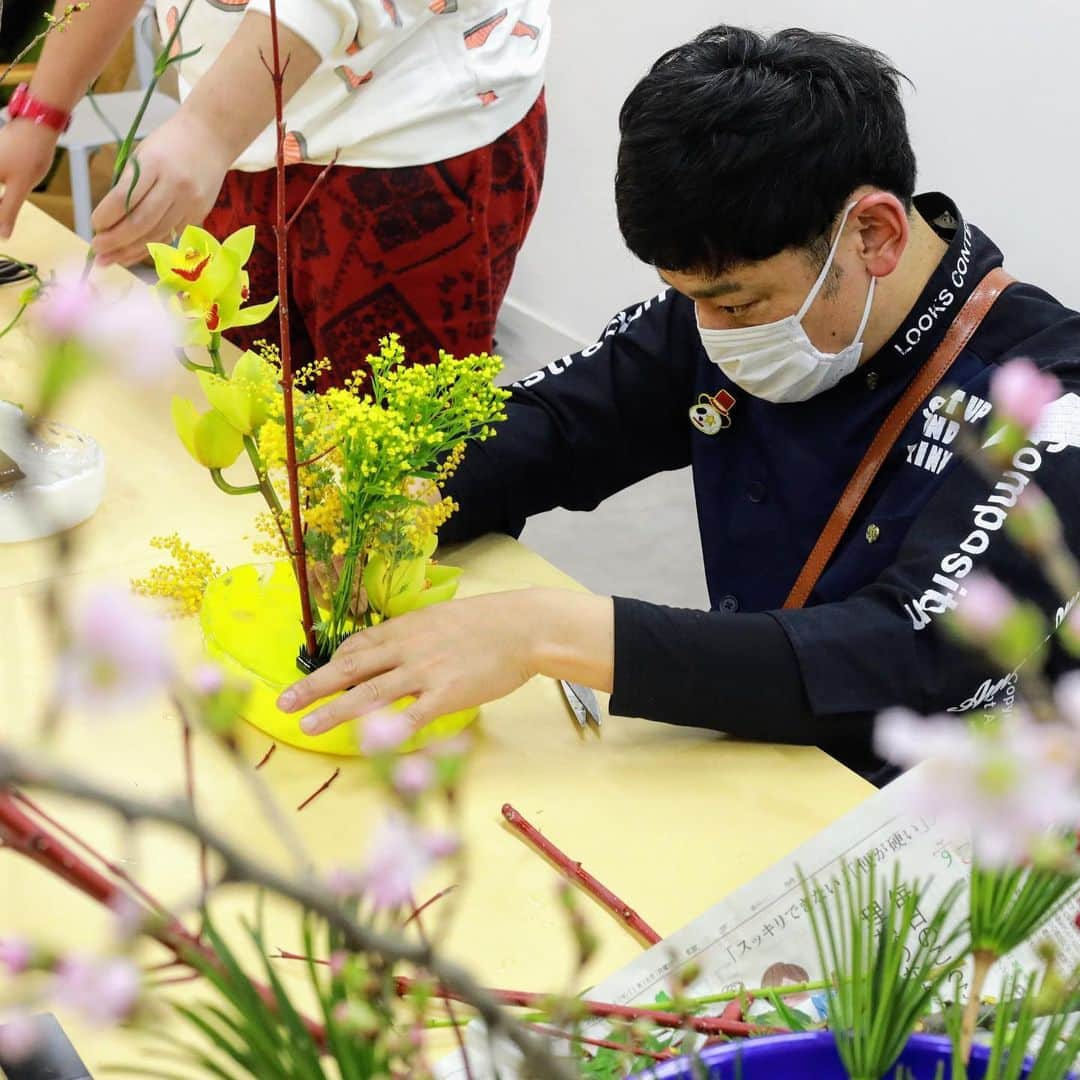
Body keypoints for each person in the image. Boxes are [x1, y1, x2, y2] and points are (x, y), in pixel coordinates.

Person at [251, 27, 1079, 778]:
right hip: (756, 757)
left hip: (944, 826)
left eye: (738, 302)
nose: (711, 330)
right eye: (687, 298)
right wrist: (398, 494)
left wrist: (548, 631)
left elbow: (908, 647)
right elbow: (561, 421)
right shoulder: (724, 308)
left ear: (874, 234)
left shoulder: (1046, 397)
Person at [0, 0, 549, 386]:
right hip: (239, 131)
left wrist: (210, 129)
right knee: (238, 413)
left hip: (407, 136)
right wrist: (41, 112)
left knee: (382, 477)